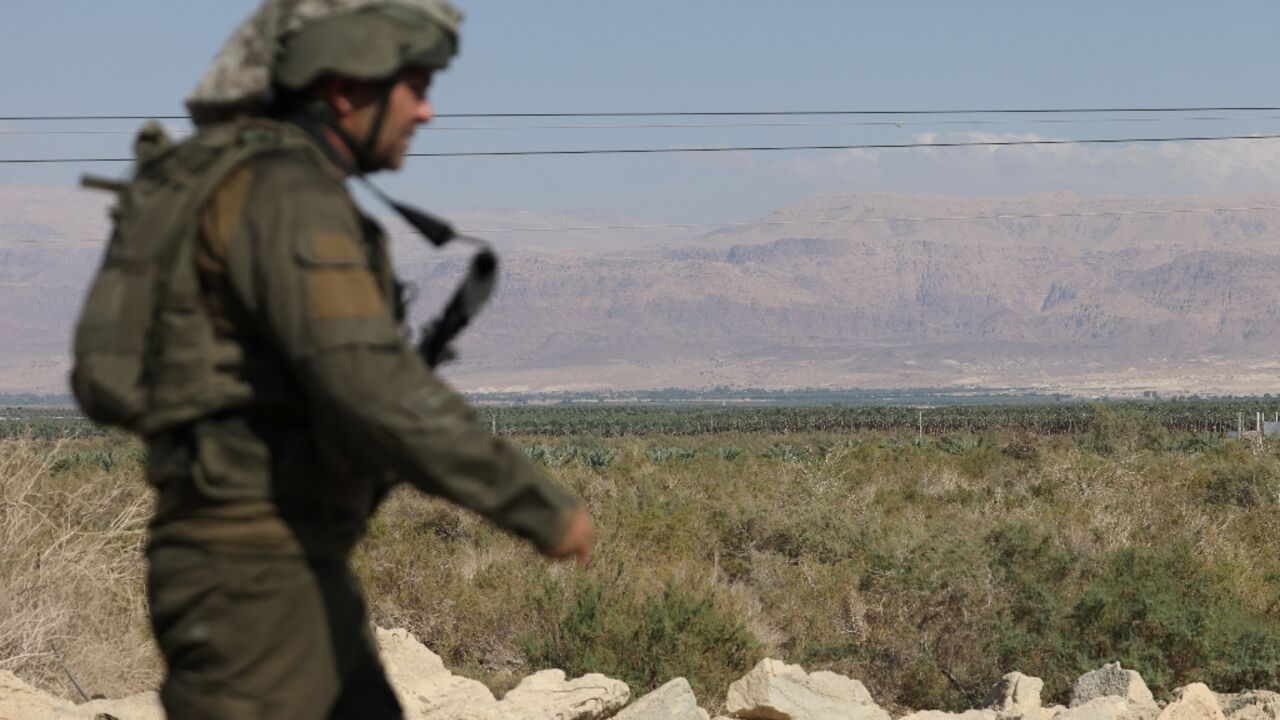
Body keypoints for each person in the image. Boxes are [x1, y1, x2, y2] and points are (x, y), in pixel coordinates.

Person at [76, 1, 593, 717]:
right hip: (253, 580)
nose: (426, 111)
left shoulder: (263, 182)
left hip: (281, 566)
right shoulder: (286, 194)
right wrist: (538, 506)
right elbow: (371, 383)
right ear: (347, 88)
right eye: (413, 85)